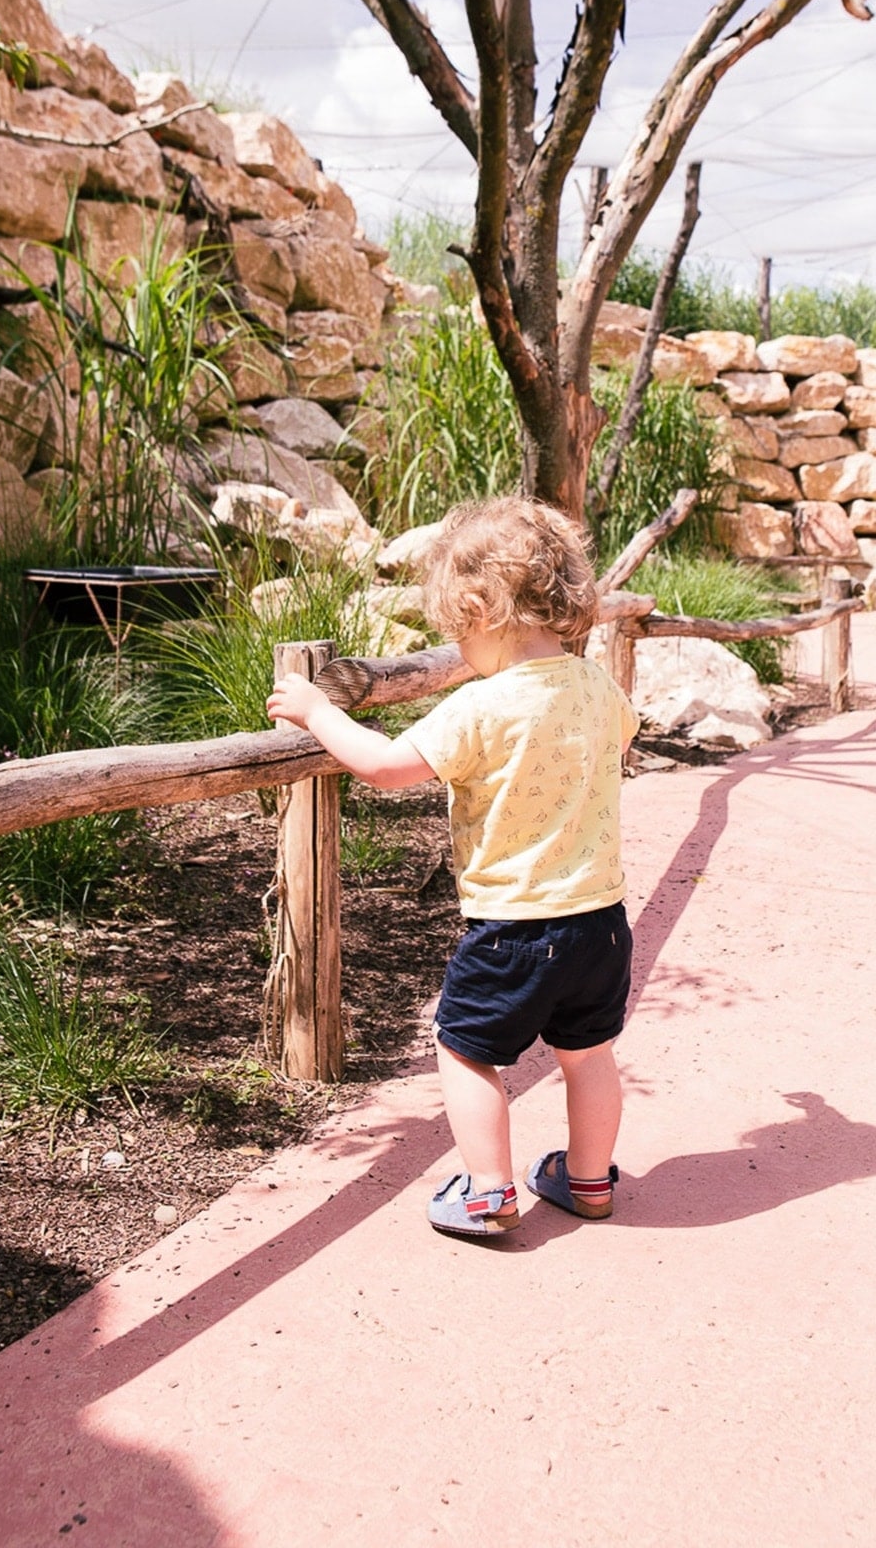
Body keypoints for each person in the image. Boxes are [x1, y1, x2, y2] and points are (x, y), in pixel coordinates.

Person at [266, 495, 638, 1241]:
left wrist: (315, 711)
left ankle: (488, 1193)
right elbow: (620, 739)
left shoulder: (481, 706)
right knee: (588, 1054)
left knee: (465, 1051)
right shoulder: (598, 689)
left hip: (514, 930)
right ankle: (590, 1181)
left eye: (455, 631)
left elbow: (382, 765)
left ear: (480, 609)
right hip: (601, 923)